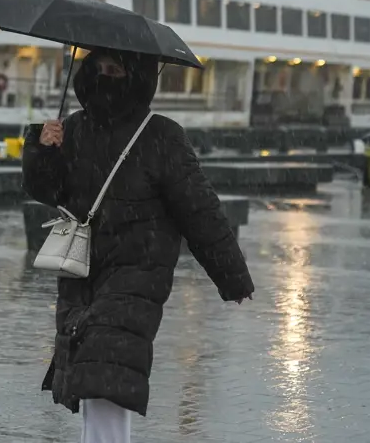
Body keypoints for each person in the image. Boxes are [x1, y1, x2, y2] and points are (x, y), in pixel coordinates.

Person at [22, 49, 254, 443]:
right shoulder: (76, 128)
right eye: (99, 69)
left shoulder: (161, 135)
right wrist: (42, 148)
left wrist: (232, 277)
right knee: (90, 376)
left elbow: (200, 212)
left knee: (106, 375)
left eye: (116, 70)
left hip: (136, 275)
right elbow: (49, 191)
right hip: (82, 273)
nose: (106, 77)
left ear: (138, 76)